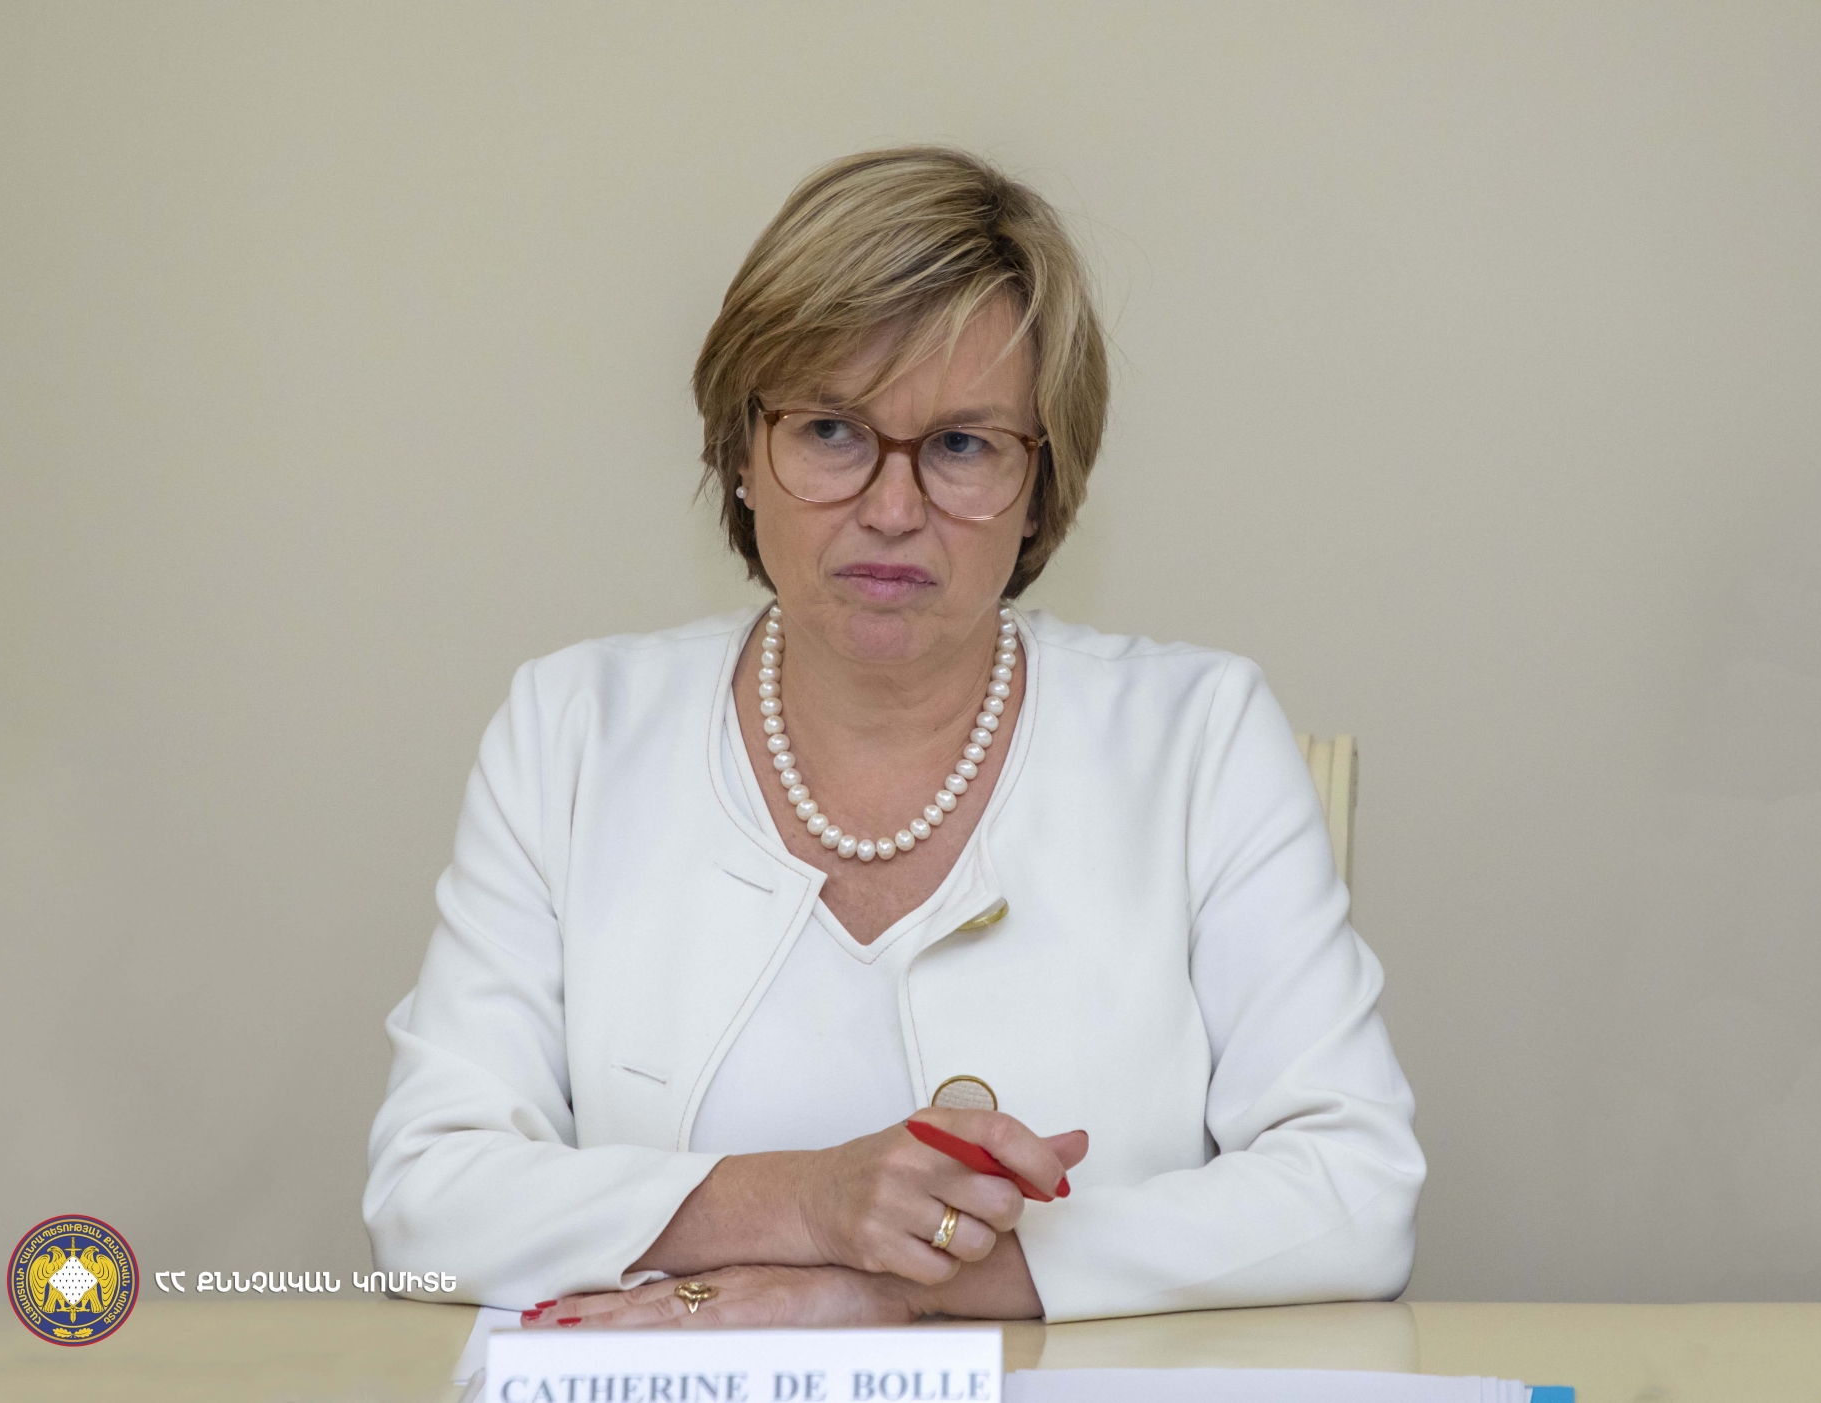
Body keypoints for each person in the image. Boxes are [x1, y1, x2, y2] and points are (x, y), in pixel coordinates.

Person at [363, 146, 1424, 1327]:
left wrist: (890, 1291)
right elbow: (427, 1195)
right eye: (831, 429)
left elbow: (1355, 1189)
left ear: (1041, 484)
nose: (891, 506)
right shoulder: (571, 729)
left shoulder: (1199, 737)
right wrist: (806, 1202)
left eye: (964, 444)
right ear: (743, 454)